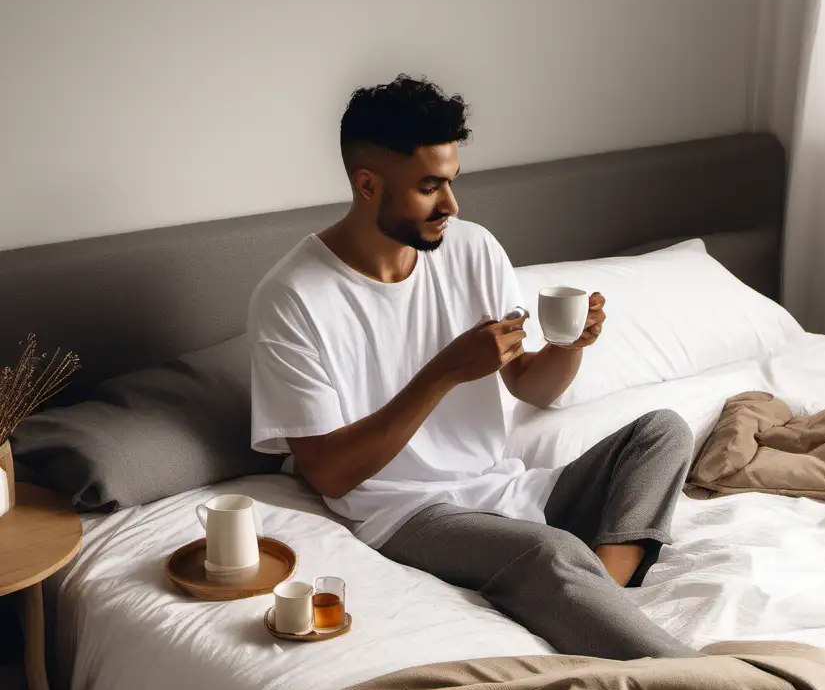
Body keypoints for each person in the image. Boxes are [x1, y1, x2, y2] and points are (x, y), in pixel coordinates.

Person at [248, 75, 695, 660]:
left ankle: (605, 596)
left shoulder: (471, 247)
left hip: (507, 488)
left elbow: (531, 387)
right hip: (404, 511)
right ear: (366, 184)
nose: (451, 206)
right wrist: (444, 372)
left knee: (664, 432)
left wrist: (570, 345)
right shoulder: (292, 297)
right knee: (549, 554)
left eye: (452, 182)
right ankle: (688, 675)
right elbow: (330, 474)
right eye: (430, 187)